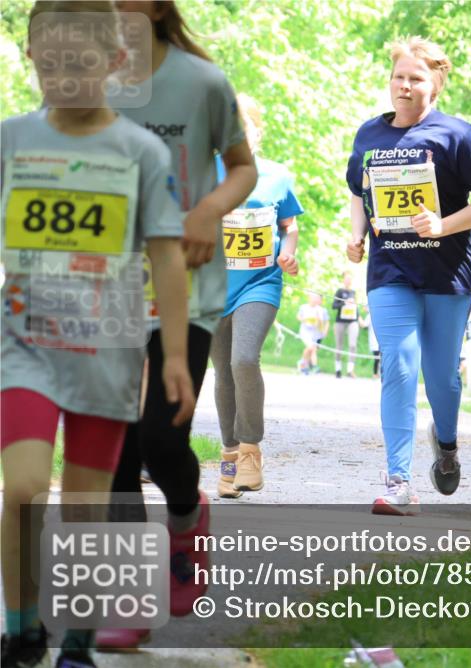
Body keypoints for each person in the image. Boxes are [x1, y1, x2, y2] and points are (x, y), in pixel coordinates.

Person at [1, 4, 195, 666]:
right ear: (32, 59)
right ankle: (21, 621)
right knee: (24, 488)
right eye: (49, 64)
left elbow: (167, 254)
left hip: (106, 348)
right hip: (23, 341)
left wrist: (172, 353)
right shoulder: (12, 139)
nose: (62, 79)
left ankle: (76, 641)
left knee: (85, 504)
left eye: (79, 65)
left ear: (114, 62)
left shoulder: (139, 151)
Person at [102, 0, 257, 650]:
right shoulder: (90, 82)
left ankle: (188, 515)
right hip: (104, 290)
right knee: (115, 453)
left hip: (186, 290)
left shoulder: (202, 82)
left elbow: (242, 165)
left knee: (161, 440)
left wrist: (207, 211)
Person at [345, 37, 471, 514]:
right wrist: (356, 236)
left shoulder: (458, 134)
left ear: (436, 83)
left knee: (441, 380)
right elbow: (359, 190)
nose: (406, 86)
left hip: (448, 272)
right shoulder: (369, 135)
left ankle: (448, 442)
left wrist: (443, 225)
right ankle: (398, 481)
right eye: (399, 77)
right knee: (397, 363)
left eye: (416, 78)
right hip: (389, 268)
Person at [210, 94, 303, 499]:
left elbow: (290, 225)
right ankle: (229, 456)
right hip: (211, 286)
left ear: (256, 132)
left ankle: (250, 450)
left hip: (259, 283)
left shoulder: (277, 176)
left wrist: (289, 250)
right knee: (223, 372)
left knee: (244, 359)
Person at [332, 273, 360, 378]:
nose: (348, 281)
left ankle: (350, 370)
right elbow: (334, 306)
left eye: (350, 279)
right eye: (346, 279)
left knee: (353, 345)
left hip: (353, 321)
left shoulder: (353, 292)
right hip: (340, 321)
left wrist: (359, 318)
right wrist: (344, 303)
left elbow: (355, 307)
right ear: (343, 280)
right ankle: (338, 369)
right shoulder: (339, 291)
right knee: (339, 345)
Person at [297, 291, 328, 374]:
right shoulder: (303, 307)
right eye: (313, 298)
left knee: (312, 349)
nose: (314, 300)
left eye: (316, 298)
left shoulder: (320, 310)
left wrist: (322, 329)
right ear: (309, 299)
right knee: (310, 347)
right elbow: (299, 317)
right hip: (305, 331)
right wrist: (304, 319)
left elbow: (321, 323)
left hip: (314, 333)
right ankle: (305, 364)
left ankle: (305, 365)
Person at [361, 305, 381, 379]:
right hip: (378, 340)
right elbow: (364, 325)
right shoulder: (371, 315)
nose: (365, 308)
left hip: (375, 340)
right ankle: (376, 374)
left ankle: (376, 374)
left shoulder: (370, 315)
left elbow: (363, 325)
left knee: (377, 357)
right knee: (378, 357)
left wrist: (357, 316)